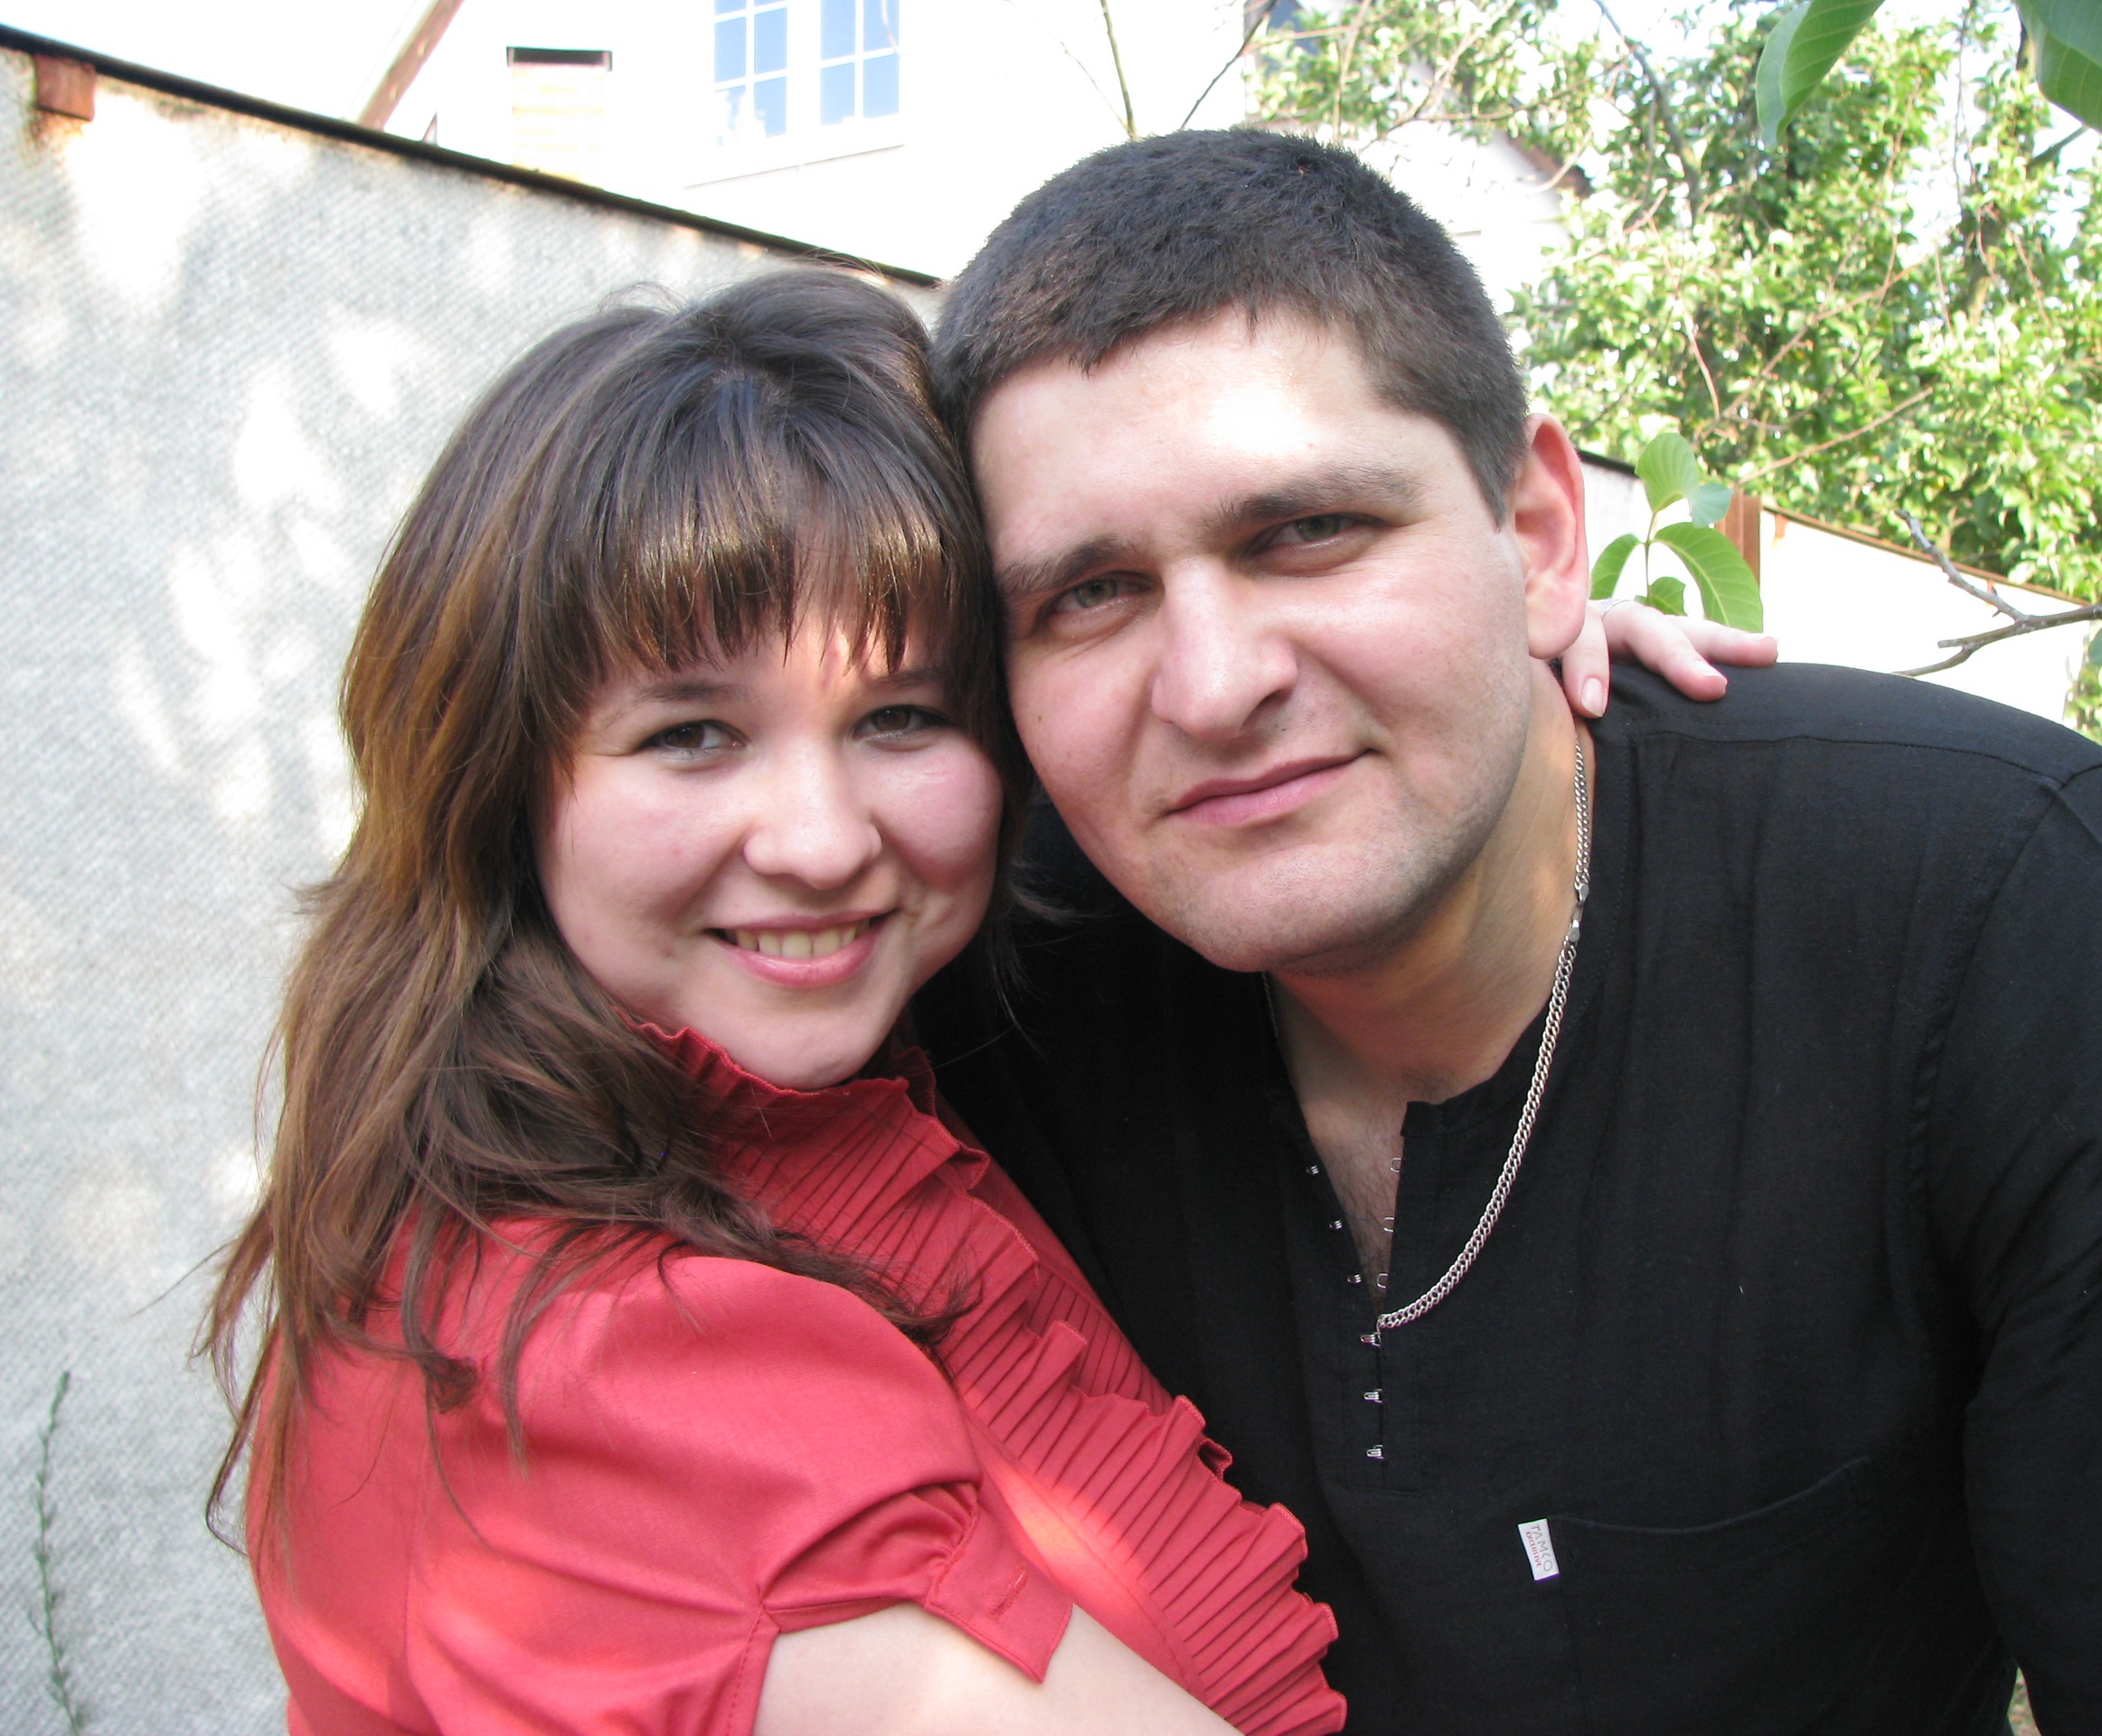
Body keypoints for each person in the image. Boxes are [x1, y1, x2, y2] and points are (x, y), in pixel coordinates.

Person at [914, 129, 2102, 1734]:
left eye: (1308, 533)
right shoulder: (982, 979)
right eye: (1087, 595)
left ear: (1535, 537)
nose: (1215, 685)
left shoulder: (1978, 907)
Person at [202, 271, 1359, 1736]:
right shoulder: (615, 1373)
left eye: (901, 717)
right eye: (691, 735)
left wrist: (1503, 710)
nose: (819, 842)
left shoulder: (811, 1102)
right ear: (497, 776)